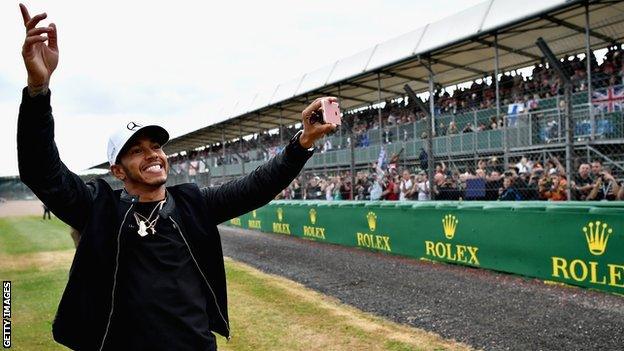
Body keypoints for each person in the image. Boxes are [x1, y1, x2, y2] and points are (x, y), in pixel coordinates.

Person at [16, 5, 337, 350]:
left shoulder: (192, 204)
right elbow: (41, 171)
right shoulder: (99, 208)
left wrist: (301, 142)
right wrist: (38, 90)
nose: (153, 154)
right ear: (118, 170)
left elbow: (256, 187)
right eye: (137, 150)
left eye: (155, 146)